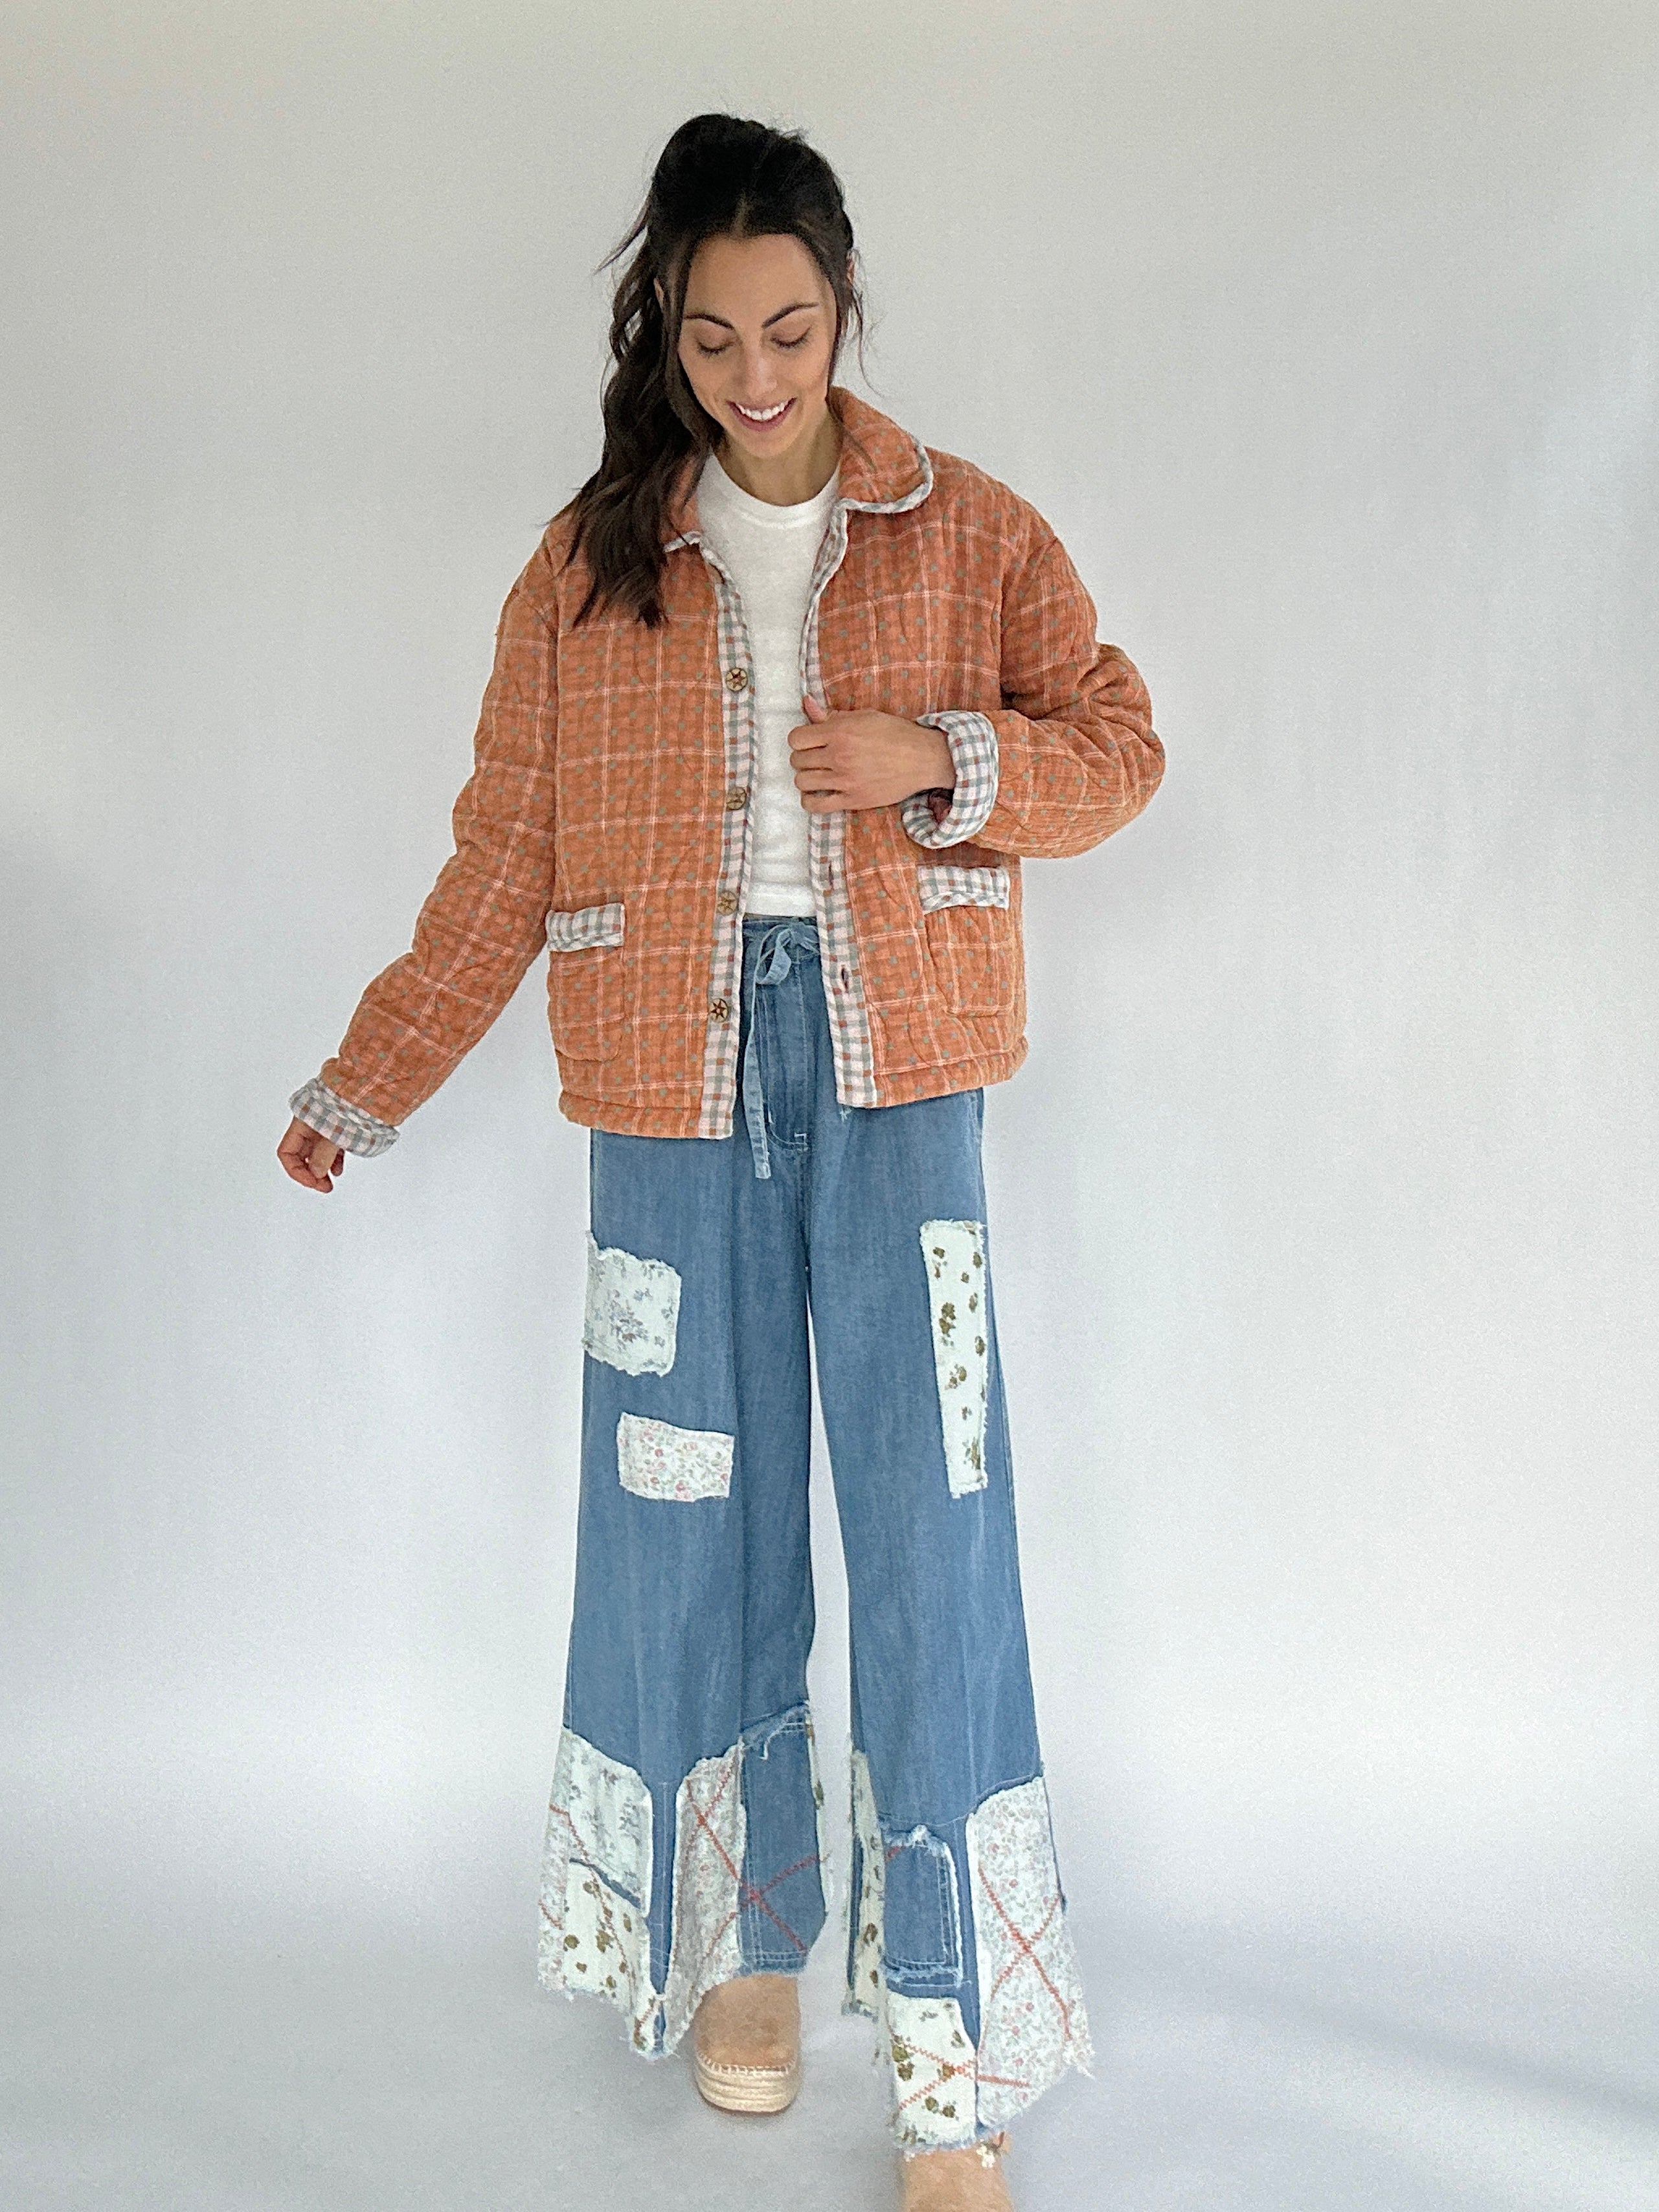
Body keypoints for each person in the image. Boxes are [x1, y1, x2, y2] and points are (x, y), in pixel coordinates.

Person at [277, 110, 1163, 2212]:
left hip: (900, 1078)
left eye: (788, 326)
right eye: (712, 336)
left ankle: (953, 2063)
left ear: (843, 311)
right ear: (662, 341)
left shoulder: (975, 533)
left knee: (934, 1538)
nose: (755, 373)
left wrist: (937, 762)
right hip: (662, 1093)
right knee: (689, 1522)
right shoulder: (586, 568)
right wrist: (366, 1078)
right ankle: (745, 1953)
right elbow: (506, 857)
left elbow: (1117, 747)